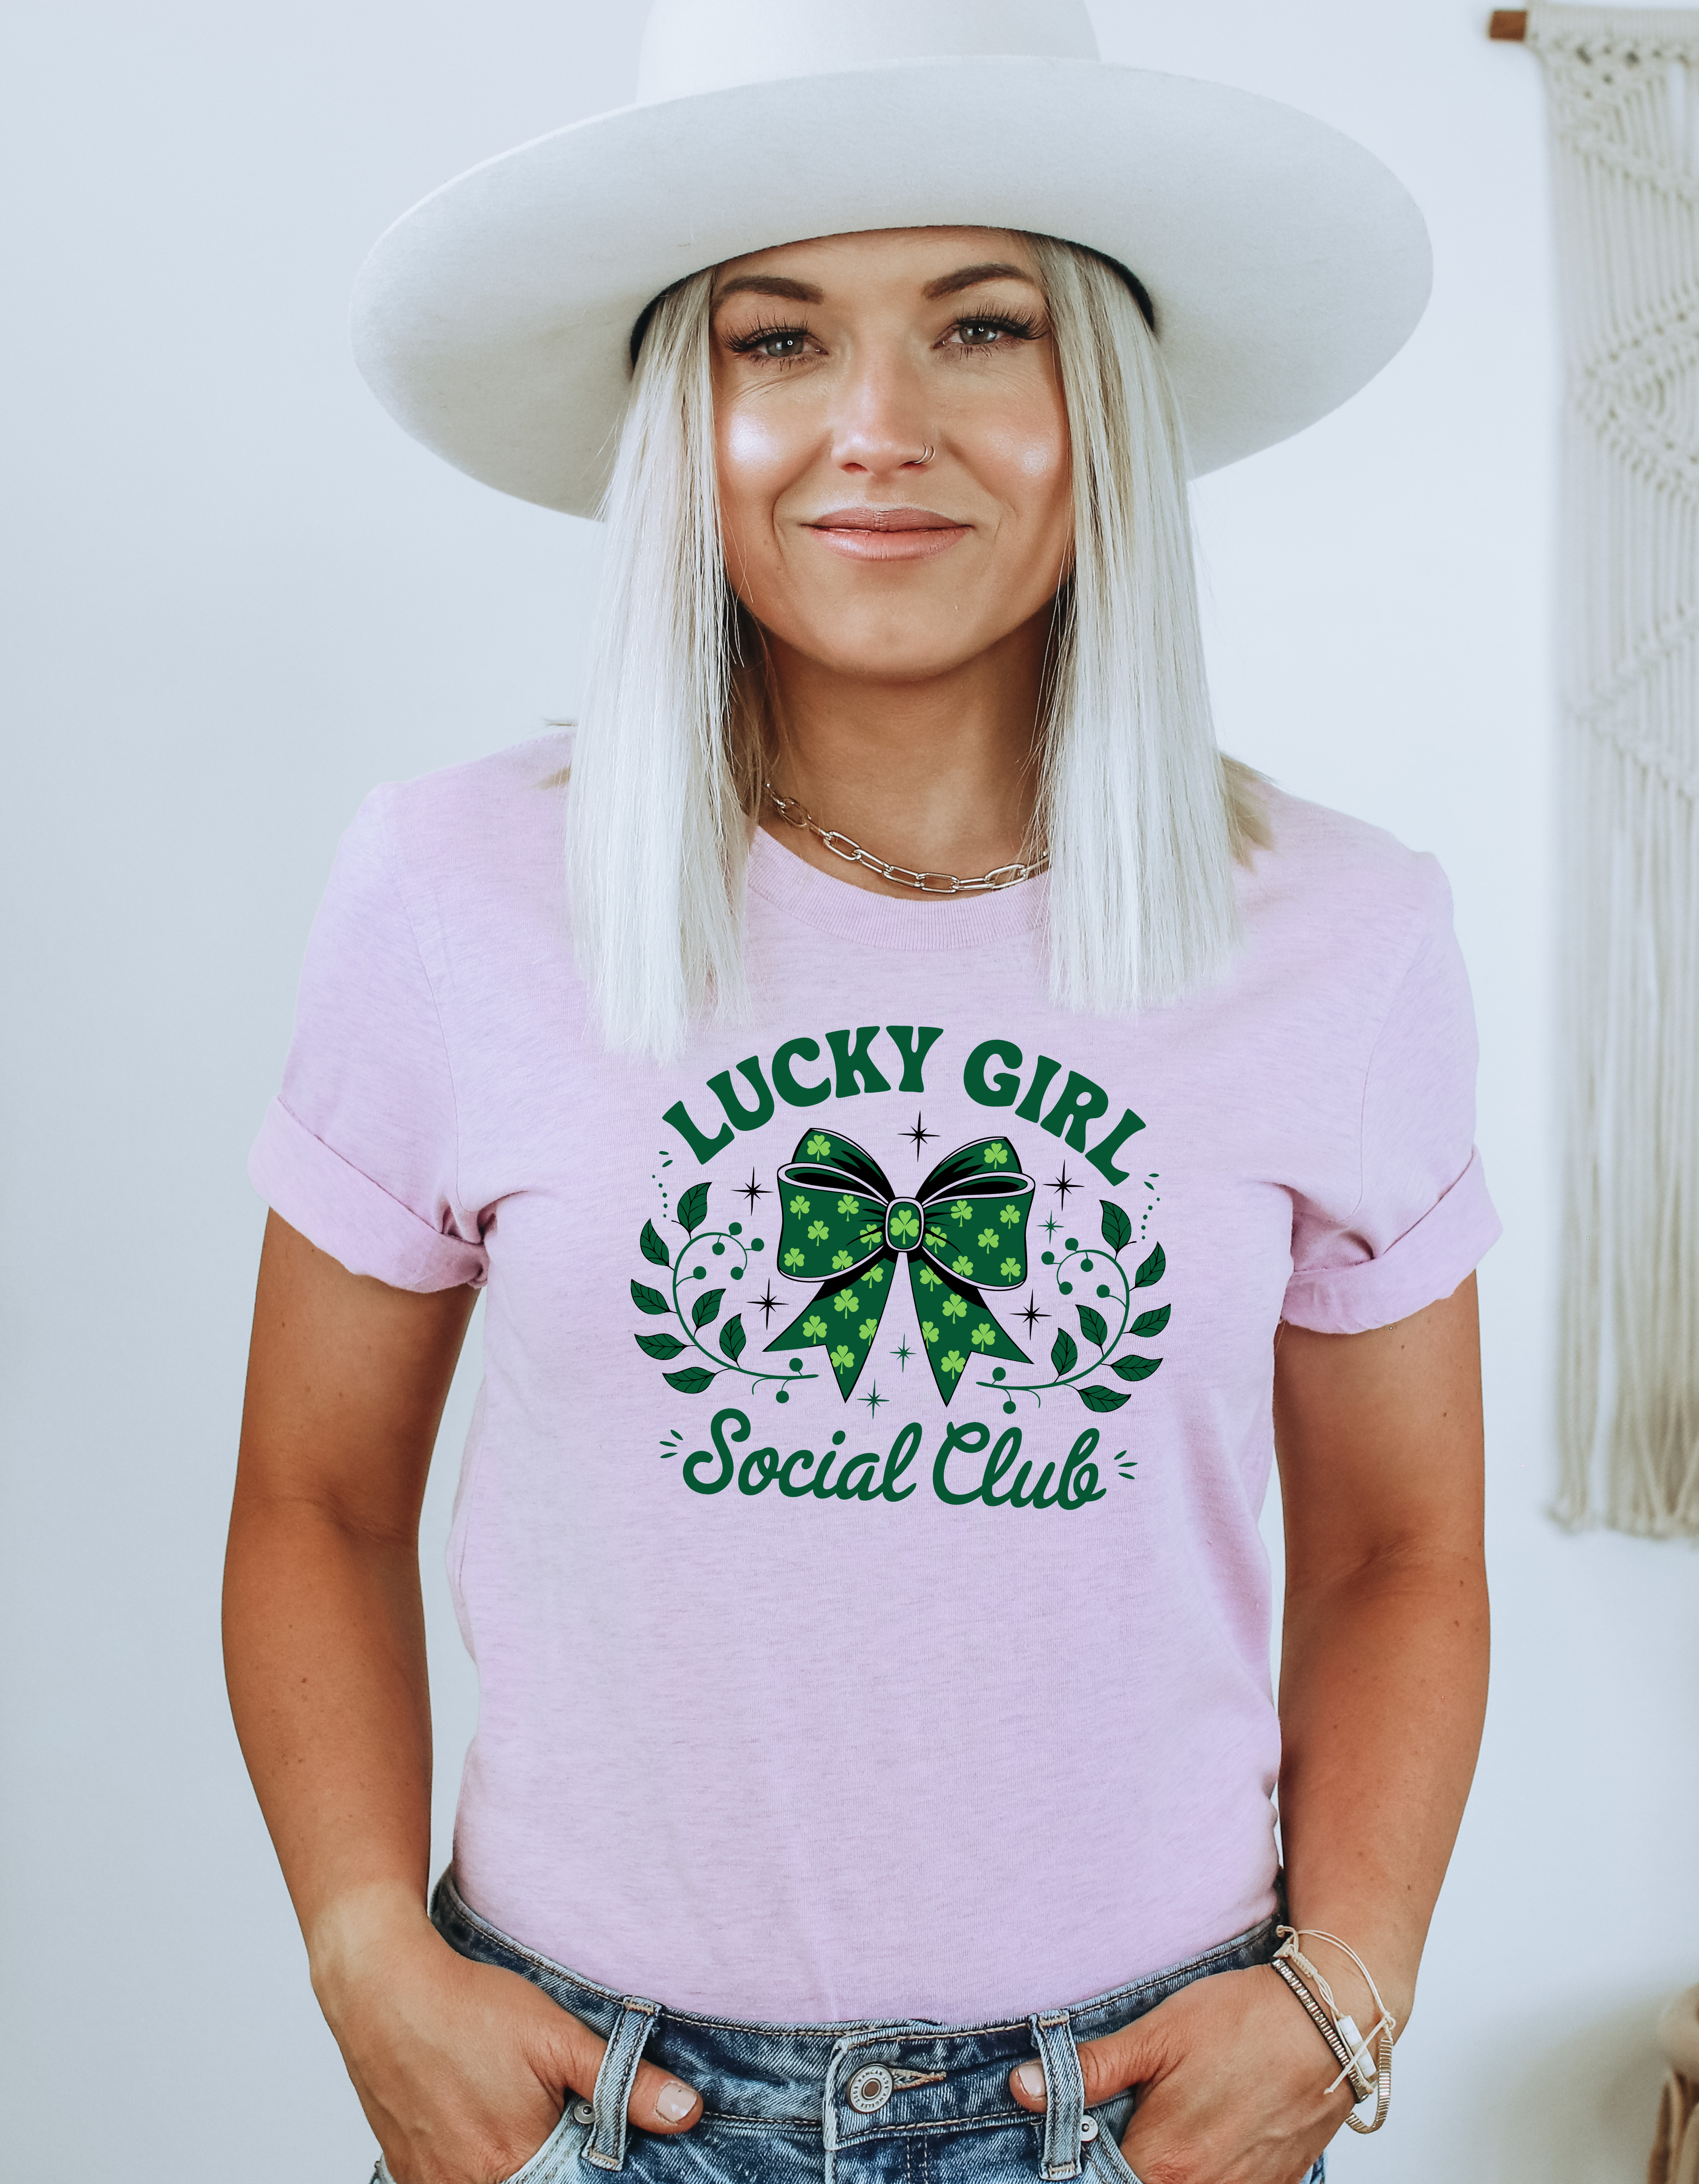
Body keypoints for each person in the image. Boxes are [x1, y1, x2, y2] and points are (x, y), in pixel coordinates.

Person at [224, 7, 1497, 2183]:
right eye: (778, 338)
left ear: (1102, 407)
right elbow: (313, 1498)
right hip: (588, 2103)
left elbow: (1400, 1547)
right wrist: (364, 1950)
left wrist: (1344, 1994)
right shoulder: (450, 888)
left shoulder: (1346, 930)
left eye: (982, 327)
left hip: (1129, 2112)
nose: (876, 429)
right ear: (683, 418)